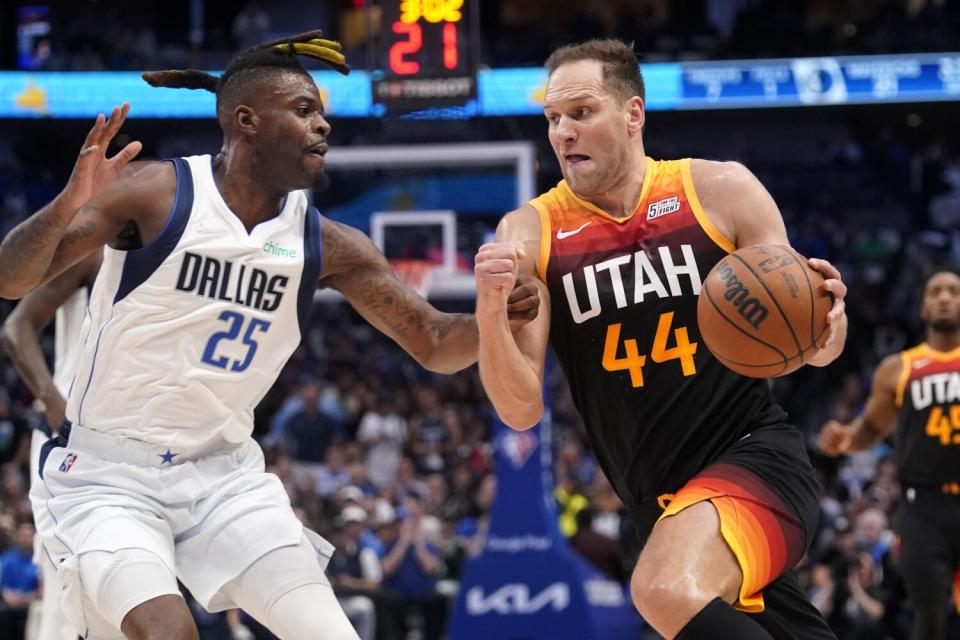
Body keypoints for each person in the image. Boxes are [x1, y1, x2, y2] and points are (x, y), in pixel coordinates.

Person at [0, 30, 537, 640]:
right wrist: (65, 206)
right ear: (247, 120)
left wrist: (495, 318)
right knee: (170, 631)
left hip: (225, 479)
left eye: (322, 114)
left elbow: (436, 343)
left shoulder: (327, 243)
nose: (323, 127)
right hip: (105, 475)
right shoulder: (160, 194)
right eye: (305, 110)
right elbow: (11, 280)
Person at [474, 39, 847, 639]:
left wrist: (831, 318)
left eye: (581, 113)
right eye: (552, 119)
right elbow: (519, 409)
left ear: (633, 114)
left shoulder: (718, 191)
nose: (562, 132)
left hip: (753, 456)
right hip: (657, 502)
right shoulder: (530, 233)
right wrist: (490, 313)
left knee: (662, 588)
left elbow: (814, 343)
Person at [818, 268, 960, 640]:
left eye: (953, 291)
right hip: (921, 506)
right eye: (936, 292)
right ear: (924, 307)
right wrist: (845, 439)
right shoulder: (899, 368)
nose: (945, 298)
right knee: (925, 614)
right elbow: (870, 429)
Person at [2, 249, 102, 640]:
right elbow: (16, 326)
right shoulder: (94, 254)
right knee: (62, 571)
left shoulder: (182, 254)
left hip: (131, 437)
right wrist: (53, 402)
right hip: (69, 433)